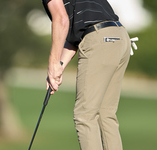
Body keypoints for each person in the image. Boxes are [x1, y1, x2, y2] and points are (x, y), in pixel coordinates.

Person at [42, 0, 131, 149]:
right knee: (105, 114)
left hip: (99, 38)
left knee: (84, 115)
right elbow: (75, 36)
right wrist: (59, 68)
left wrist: (53, 64)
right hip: (120, 37)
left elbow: (61, 20)